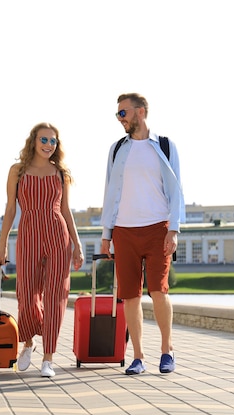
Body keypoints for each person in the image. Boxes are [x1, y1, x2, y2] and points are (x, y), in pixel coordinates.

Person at [100, 93, 185, 375]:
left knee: (158, 290)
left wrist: (174, 229)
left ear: (140, 112)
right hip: (124, 230)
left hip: (157, 228)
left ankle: (167, 349)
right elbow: (110, 193)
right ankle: (138, 356)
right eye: (117, 114)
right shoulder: (116, 149)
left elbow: (176, 191)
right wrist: (107, 233)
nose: (119, 119)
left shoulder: (164, 146)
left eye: (122, 113)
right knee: (130, 295)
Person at [0, 122, 84, 378]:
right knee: (26, 292)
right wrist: (2, 245)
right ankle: (29, 342)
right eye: (44, 140)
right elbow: (11, 209)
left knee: (56, 295)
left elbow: (66, 210)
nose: (48, 145)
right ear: (33, 141)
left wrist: (77, 245)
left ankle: (48, 358)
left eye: (53, 141)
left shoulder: (60, 173)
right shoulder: (17, 171)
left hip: (57, 234)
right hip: (29, 232)